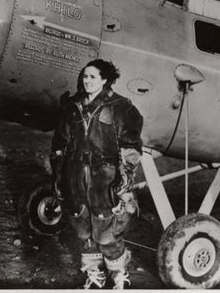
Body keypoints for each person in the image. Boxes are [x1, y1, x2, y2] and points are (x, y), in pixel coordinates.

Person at [51, 59, 144, 289]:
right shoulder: (73, 106)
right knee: (83, 228)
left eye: (93, 77)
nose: (87, 81)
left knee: (107, 232)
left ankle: (119, 275)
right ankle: (95, 275)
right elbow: (59, 143)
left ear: (105, 79)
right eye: (85, 76)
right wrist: (59, 175)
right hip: (75, 176)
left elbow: (130, 148)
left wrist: (124, 180)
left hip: (105, 177)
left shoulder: (120, 107)